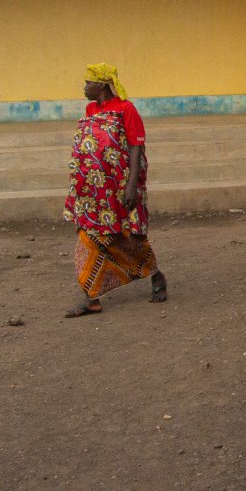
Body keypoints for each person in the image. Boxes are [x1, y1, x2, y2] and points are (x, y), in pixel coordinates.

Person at [62, 63, 167, 317]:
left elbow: (135, 147)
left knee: (126, 237)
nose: (84, 87)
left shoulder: (126, 109)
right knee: (88, 239)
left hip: (118, 188)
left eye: (88, 82)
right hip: (92, 194)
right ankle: (92, 298)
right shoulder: (90, 110)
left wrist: (131, 185)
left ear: (101, 85)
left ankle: (156, 275)